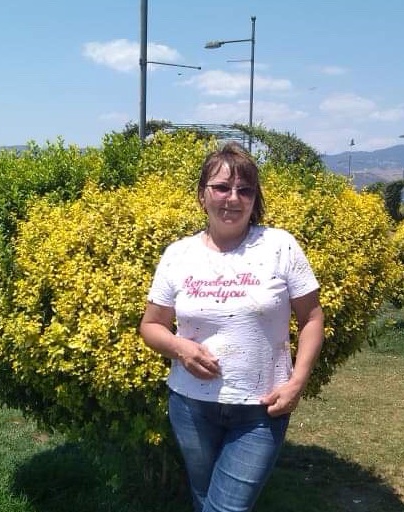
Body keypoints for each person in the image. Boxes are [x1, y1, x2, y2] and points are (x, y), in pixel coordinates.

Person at [139, 142, 324, 512]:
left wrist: (297, 383)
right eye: (222, 187)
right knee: (204, 499)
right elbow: (151, 325)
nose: (233, 198)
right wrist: (180, 348)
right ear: (202, 195)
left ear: (255, 199)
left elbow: (312, 318)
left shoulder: (279, 246)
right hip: (191, 405)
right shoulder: (178, 254)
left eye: (245, 190)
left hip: (261, 409)